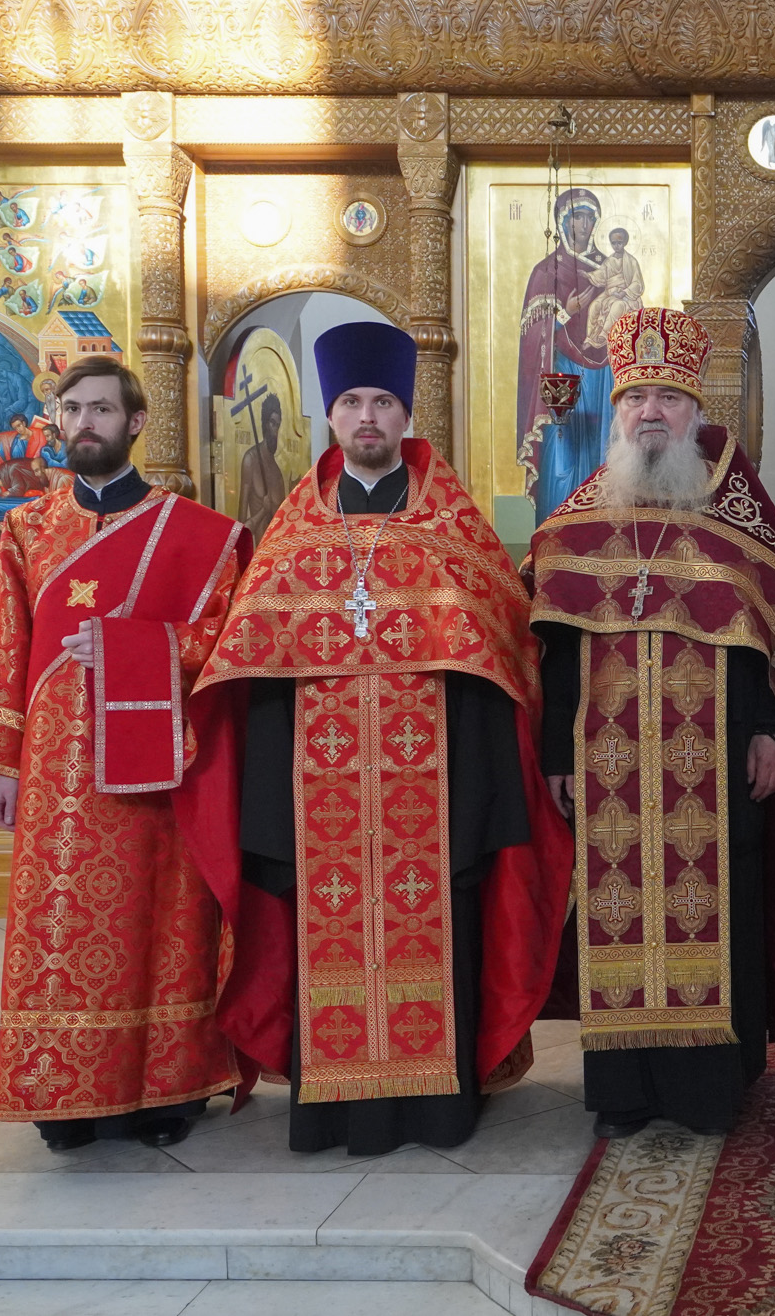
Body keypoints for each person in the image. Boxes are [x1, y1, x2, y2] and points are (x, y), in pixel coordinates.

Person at [189, 322, 570, 1156]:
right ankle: (332, 1111)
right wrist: (269, 819)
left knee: (444, 936)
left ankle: (439, 1108)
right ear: (330, 416)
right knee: (321, 937)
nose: (368, 417)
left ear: (406, 415)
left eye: (384, 402)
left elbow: (501, 659)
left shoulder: (453, 531)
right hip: (317, 807)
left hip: (436, 804)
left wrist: (481, 808)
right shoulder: (291, 538)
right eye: (353, 402)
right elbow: (254, 675)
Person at [528, 307, 775, 1138]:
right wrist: (557, 751)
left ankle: (713, 1087)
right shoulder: (573, 524)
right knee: (615, 911)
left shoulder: (735, 519)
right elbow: (555, 647)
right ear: (617, 411)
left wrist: (773, 731)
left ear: (694, 411)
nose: (652, 413)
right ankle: (623, 1092)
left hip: (718, 759)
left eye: (669, 398)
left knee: (722, 906)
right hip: (604, 764)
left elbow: (774, 640)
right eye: (637, 397)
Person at [0, 355, 251, 1152]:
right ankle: (63, 1090)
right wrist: (5, 765)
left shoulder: (200, 534)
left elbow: (229, 641)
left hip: (161, 769)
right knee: (59, 933)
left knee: (161, 924)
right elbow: (2, 650)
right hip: (54, 777)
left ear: (135, 422)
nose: (84, 423)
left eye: (101, 409)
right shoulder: (27, 530)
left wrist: (139, 646)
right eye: (72, 410)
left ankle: (165, 1092)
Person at [518, 188, 616, 524]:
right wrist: (566, 312)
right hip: (563, 374)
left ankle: (604, 528)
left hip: (604, 376)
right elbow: (533, 334)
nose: (583, 225)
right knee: (562, 456)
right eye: (576, 217)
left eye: (589, 217)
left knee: (604, 449)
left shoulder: (610, 269)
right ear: (563, 221)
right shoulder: (547, 271)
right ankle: (557, 528)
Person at [237, 396, 286, 543]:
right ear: (265, 423)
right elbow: (241, 530)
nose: (275, 430)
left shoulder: (277, 473)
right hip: (257, 552)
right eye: (272, 423)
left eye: (278, 425)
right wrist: (264, 510)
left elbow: (283, 526)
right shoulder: (251, 460)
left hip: (277, 551)